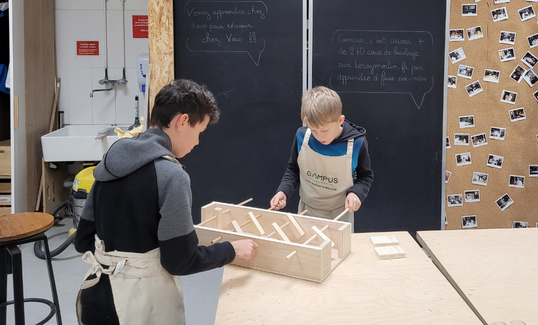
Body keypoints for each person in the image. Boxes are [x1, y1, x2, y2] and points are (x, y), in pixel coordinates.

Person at [74, 79, 258, 325]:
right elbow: (179, 260)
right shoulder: (171, 175)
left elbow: (83, 240)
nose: (197, 142)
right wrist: (231, 250)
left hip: (95, 298)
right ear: (182, 122)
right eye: (199, 131)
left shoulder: (111, 161)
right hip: (140, 307)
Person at [269, 86, 373, 231]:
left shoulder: (356, 143)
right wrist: (283, 191)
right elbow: (294, 169)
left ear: (340, 120)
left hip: (340, 215)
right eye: (313, 130)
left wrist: (356, 193)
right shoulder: (302, 137)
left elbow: (365, 177)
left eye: (324, 130)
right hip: (307, 211)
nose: (319, 136)